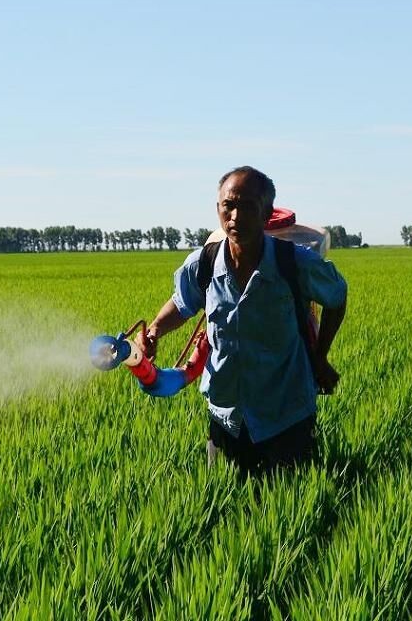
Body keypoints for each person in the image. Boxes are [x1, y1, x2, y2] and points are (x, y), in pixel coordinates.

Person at [137, 166, 348, 476]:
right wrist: (154, 330)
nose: (235, 216)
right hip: (226, 412)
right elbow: (182, 304)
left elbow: (337, 297)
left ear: (266, 214)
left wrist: (320, 357)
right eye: (229, 205)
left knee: (288, 505)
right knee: (226, 499)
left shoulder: (295, 263)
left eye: (248, 206)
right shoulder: (204, 262)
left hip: (285, 411)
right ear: (218, 209)